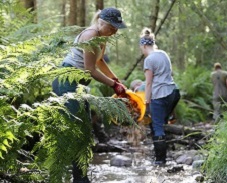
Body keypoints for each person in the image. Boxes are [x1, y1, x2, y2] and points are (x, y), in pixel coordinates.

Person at [52, 7, 127, 183]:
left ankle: (80, 177)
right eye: (113, 27)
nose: (115, 31)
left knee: (85, 131)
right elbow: (90, 69)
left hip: (78, 86)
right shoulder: (91, 35)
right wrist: (114, 85)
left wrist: (115, 78)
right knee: (76, 132)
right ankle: (66, 176)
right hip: (67, 83)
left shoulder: (102, 37)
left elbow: (99, 61)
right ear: (102, 22)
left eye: (117, 27)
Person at [139, 27, 180, 165]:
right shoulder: (163, 54)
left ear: (144, 45)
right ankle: (163, 152)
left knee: (157, 126)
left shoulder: (149, 60)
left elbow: (149, 83)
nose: (142, 51)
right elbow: (169, 75)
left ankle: (160, 160)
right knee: (159, 123)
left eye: (141, 48)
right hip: (174, 93)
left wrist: (146, 102)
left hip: (160, 96)